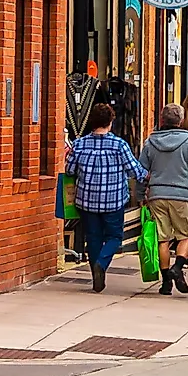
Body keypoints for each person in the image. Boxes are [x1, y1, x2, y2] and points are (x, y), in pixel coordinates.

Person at [65, 102, 147, 292]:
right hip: (113, 201)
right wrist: (147, 176)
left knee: (93, 238)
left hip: (86, 200)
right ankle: (101, 264)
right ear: (110, 122)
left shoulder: (79, 144)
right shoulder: (119, 145)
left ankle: (96, 276)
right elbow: (134, 170)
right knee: (114, 237)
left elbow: (69, 170)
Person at [140, 103, 188, 295]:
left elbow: (141, 170)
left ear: (162, 120)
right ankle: (178, 267)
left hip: (157, 195)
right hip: (183, 194)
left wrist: (142, 193)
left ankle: (166, 283)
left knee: (162, 238)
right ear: (181, 121)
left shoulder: (150, 142)